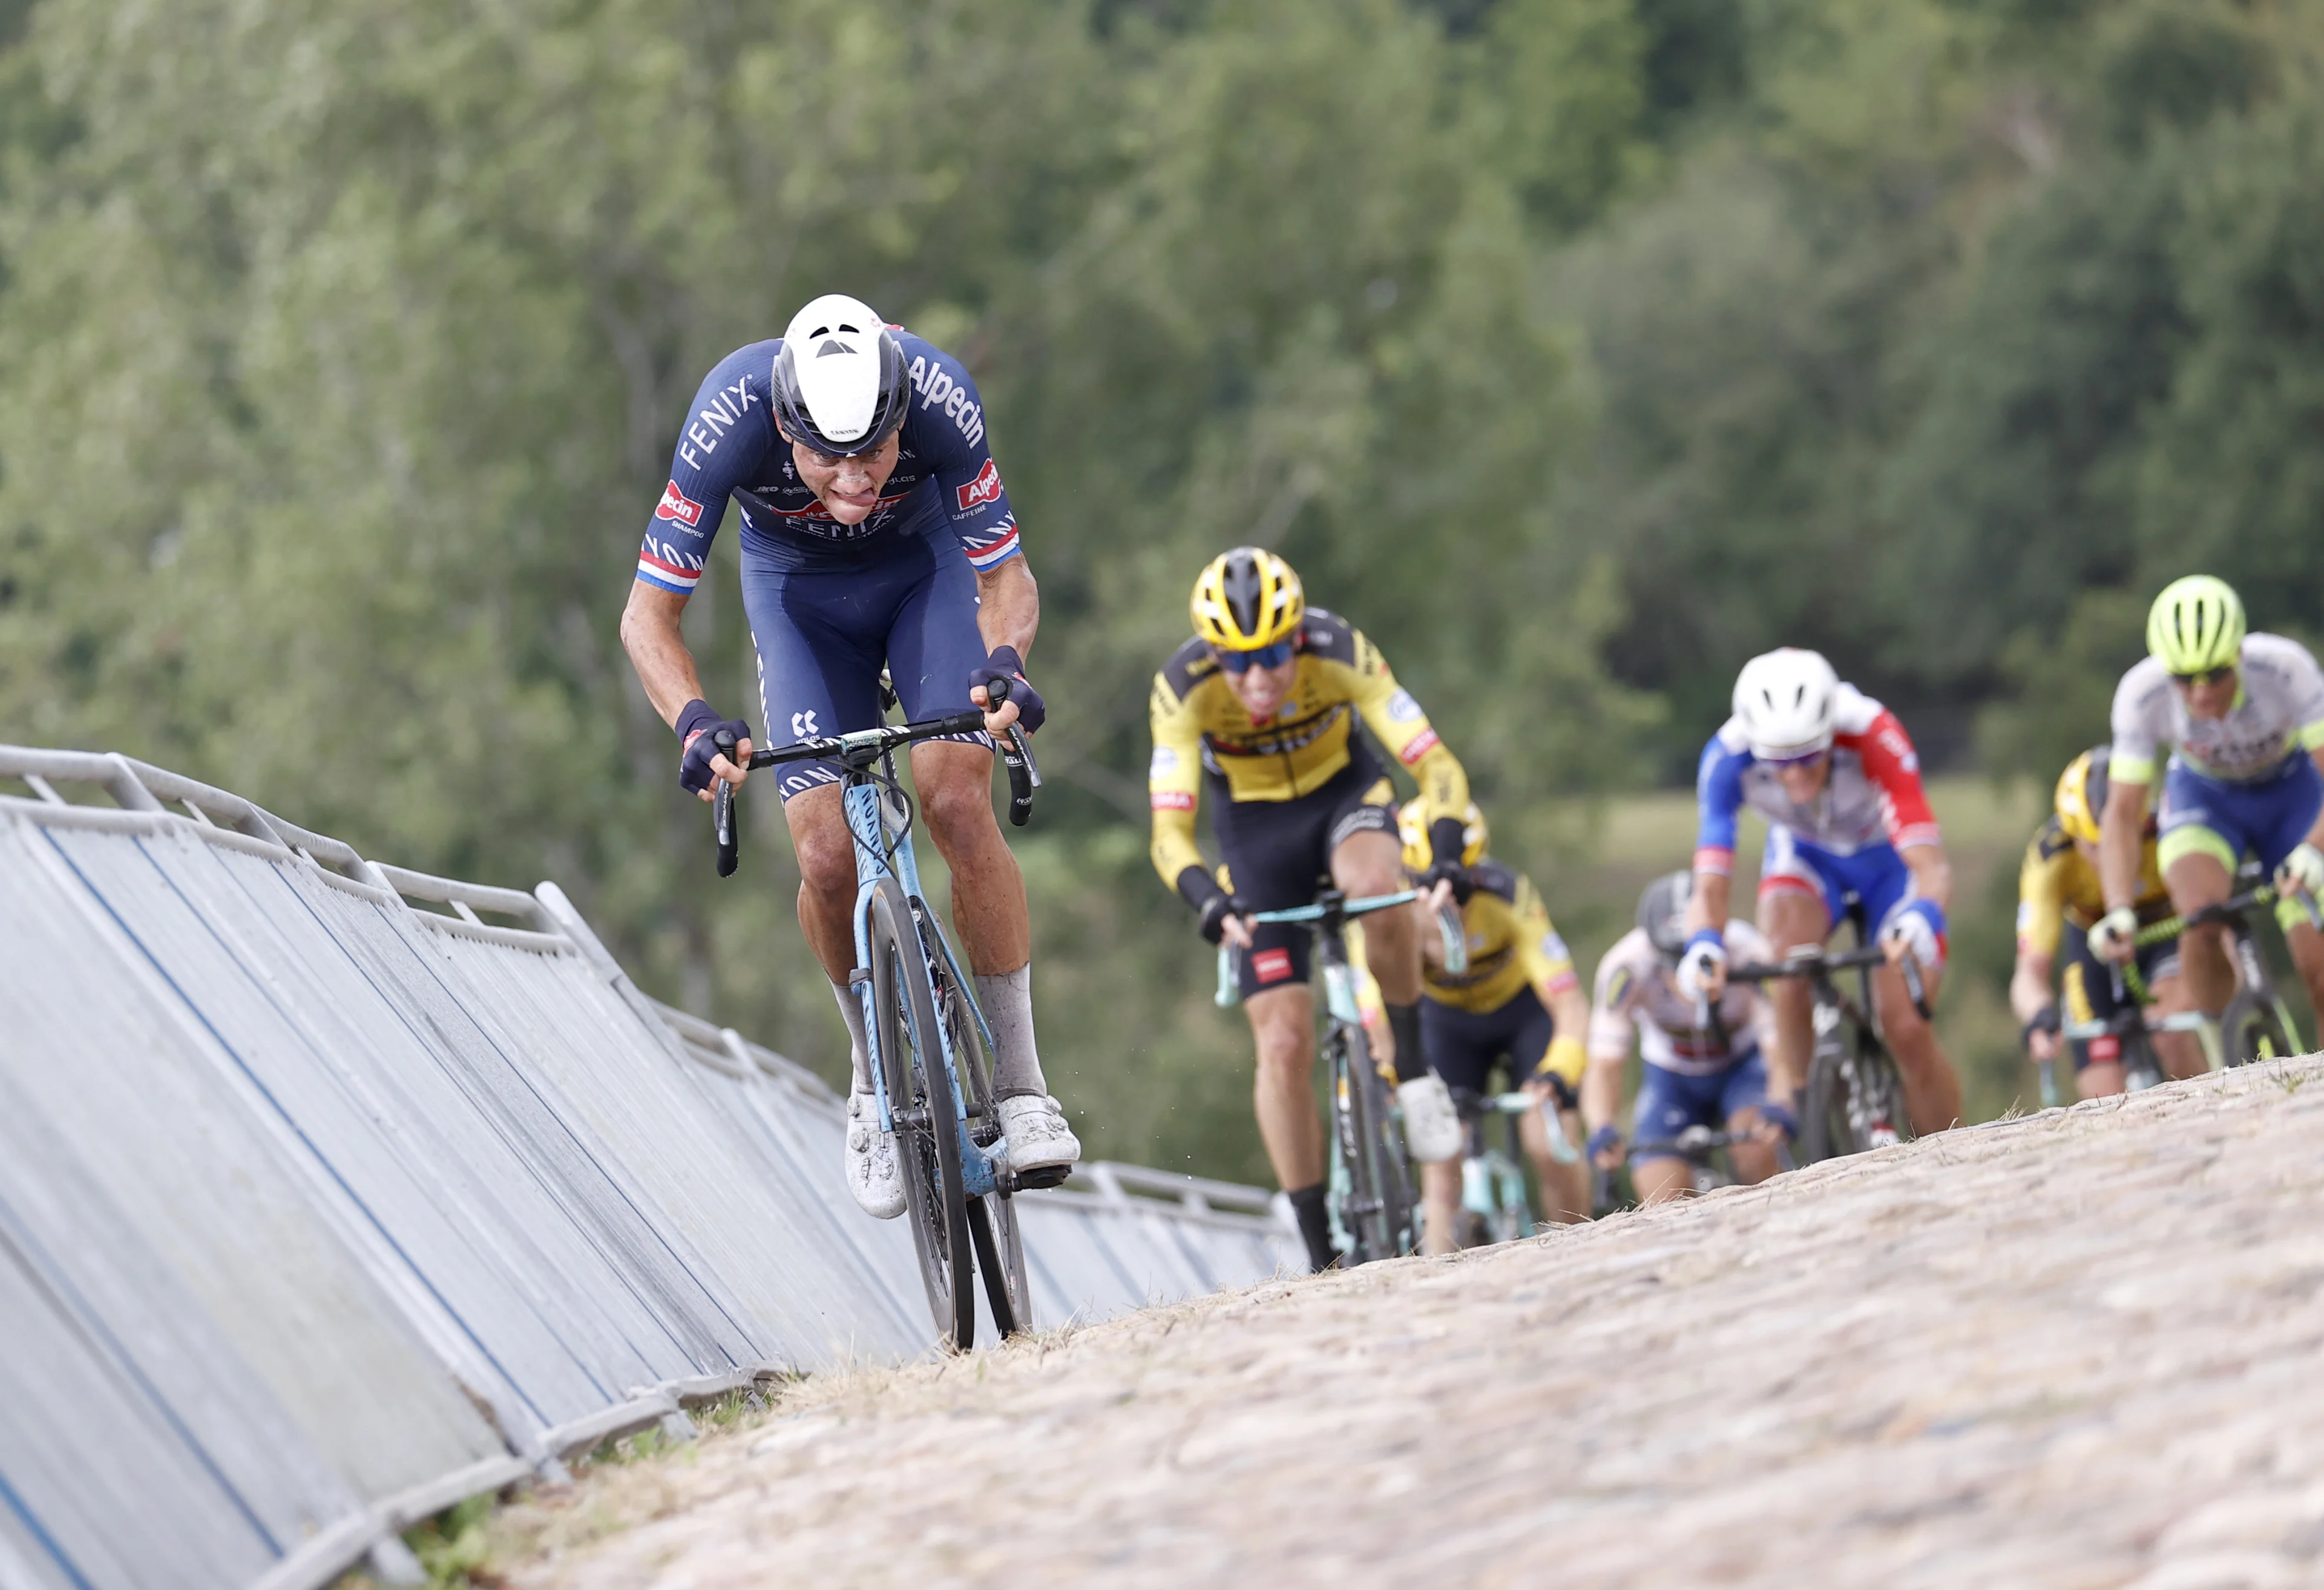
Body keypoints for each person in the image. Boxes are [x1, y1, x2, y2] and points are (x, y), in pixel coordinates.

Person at [619, 293, 1078, 1219]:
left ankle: (1024, 1088)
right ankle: (871, 1077)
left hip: (923, 576)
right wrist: (696, 723)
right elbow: (646, 618)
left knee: (956, 800)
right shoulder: (727, 416)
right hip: (799, 598)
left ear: (901, 411)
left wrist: (1005, 662)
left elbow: (1005, 575)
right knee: (825, 855)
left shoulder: (941, 393)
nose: (856, 478)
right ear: (784, 426)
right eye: (827, 457)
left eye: (874, 450)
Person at [1148, 547, 1471, 1272]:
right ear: (1213, 655)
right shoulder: (1182, 687)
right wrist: (1208, 900)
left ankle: (1413, 1065)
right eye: (1237, 661)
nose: (1257, 678)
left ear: (1297, 638)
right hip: (1255, 835)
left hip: (1346, 799)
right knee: (1284, 1043)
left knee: (1376, 887)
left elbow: (1436, 765)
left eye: (1272, 654)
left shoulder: (1339, 649)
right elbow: (1169, 833)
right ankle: (1320, 1244)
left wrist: (1448, 850)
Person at [1680, 647, 1963, 1138]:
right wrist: (1702, 943)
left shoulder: (1871, 730)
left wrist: (1922, 914)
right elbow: (1709, 884)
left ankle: (1950, 1145)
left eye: (1809, 755)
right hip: (1807, 857)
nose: (1794, 774)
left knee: (1906, 1028)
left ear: (1831, 733)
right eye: (1777, 761)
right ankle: (1804, 1105)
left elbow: (1933, 869)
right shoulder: (1726, 756)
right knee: (1786, 964)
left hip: (1889, 862)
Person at [2090, 576, 2324, 1021]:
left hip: (2294, 793)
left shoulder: (2285, 669)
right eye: (2184, 679)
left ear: (2239, 654)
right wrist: (2118, 908)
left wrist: (2314, 848)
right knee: (2200, 917)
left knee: (2320, 970)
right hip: (2207, 799)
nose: (2201, 691)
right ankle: (2229, 1032)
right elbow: (2122, 813)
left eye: (2215, 673)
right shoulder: (2141, 694)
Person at [1390, 800, 1592, 1248]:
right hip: (1446, 1023)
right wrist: (1390, 1070)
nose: (1443, 901)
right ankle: (1434, 1271)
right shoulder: (1392, 909)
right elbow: (1376, 1009)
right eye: (1422, 885)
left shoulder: (1509, 894)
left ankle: (1579, 1245)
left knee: (1549, 1140)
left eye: (1460, 886)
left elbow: (1571, 1006)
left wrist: (1559, 1072)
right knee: (1442, 1156)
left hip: (1522, 1013)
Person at [1584, 873, 1783, 1203]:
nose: (1682, 978)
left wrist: (1782, 1103)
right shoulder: (1626, 965)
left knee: (1756, 1154)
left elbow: (1780, 1046)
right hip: (1671, 1078)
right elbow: (1604, 1065)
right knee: (1659, 1196)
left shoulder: (1749, 951)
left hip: (1743, 1067)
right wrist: (1602, 1128)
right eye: (1671, 963)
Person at [2011, 748, 2195, 1100]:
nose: (2107, 858)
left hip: (2162, 935)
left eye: (2120, 842)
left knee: (2170, 1031)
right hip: (2091, 948)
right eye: (2095, 846)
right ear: (2074, 835)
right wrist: (2039, 1016)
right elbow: (2029, 971)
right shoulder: (2051, 859)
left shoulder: (2163, 831)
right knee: (2102, 1099)